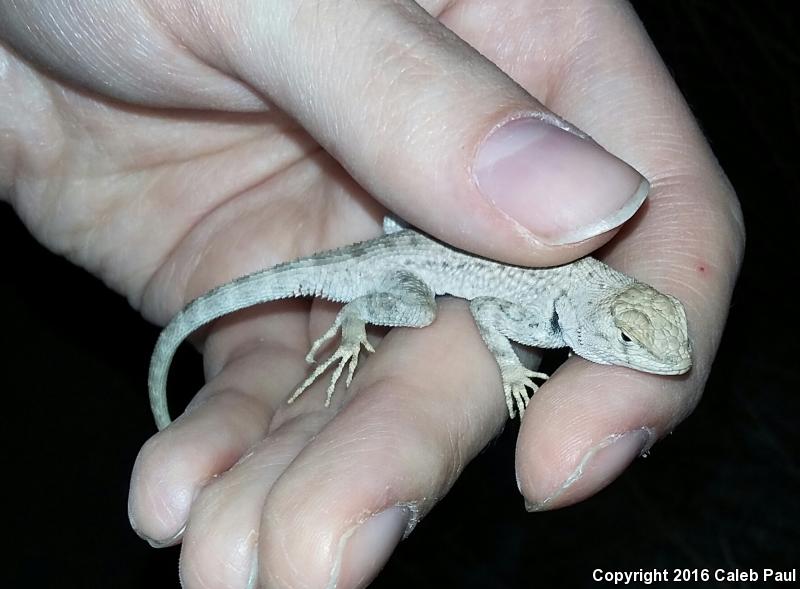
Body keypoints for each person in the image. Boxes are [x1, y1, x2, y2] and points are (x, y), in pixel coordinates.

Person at [0, 1, 743, 587]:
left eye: (644, 336)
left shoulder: (584, 287)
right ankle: (358, 316)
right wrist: (512, 367)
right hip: (396, 266)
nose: (649, 352)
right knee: (417, 311)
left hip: (405, 236)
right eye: (631, 341)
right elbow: (486, 307)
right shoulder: (558, 295)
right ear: (604, 327)